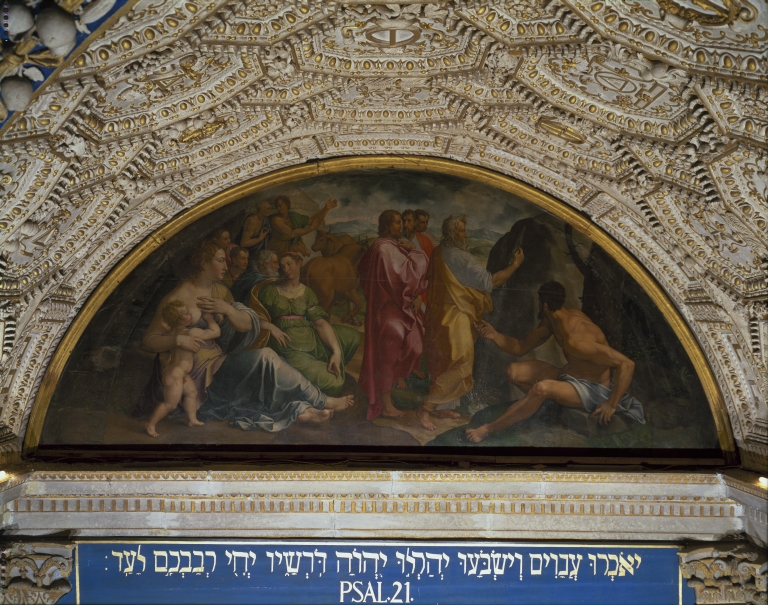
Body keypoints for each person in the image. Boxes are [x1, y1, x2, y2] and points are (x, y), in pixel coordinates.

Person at [135, 239, 354, 433]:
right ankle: (320, 402)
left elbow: (247, 324)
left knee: (265, 367)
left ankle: (303, 410)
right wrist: (178, 339)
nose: (226, 265)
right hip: (193, 379)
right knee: (265, 362)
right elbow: (148, 340)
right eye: (220, 260)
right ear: (203, 263)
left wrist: (228, 310)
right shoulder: (179, 297)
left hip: (217, 365)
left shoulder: (220, 292)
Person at [466, 281, 644, 443]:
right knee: (514, 371)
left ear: (543, 304)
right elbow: (520, 347)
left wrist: (611, 404)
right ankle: (538, 406)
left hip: (593, 390)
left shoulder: (576, 339)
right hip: (569, 377)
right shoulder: (552, 322)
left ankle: (487, 430)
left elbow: (627, 364)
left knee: (541, 388)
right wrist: (494, 335)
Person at [418, 215, 524, 431]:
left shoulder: (439, 252)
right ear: (452, 233)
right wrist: (515, 265)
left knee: (446, 361)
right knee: (463, 365)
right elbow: (491, 281)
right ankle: (425, 408)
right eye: (461, 231)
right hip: (456, 315)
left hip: (441, 314)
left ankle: (443, 407)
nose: (465, 235)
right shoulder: (460, 257)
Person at [257, 251, 361, 396]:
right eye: (283, 266)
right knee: (334, 383)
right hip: (289, 344)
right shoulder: (270, 291)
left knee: (353, 336)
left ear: (299, 263)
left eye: (289, 264)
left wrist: (336, 352)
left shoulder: (307, 293)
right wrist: (271, 327)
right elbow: (255, 318)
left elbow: (320, 323)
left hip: (310, 338)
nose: (286, 269)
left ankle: (328, 360)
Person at [358, 210, 429, 419]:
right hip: (388, 311)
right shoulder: (382, 249)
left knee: (416, 345)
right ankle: (387, 405)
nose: (401, 226)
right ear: (387, 226)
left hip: (401, 308)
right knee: (388, 355)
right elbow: (404, 278)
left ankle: (397, 384)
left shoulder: (392, 247)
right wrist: (416, 252)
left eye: (400, 222)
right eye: (397, 223)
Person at [144, 300, 221, 438]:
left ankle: (192, 420)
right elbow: (216, 332)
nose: (190, 314)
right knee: (170, 405)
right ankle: (151, 424)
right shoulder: (191, 332)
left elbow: (164, 355)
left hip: (177, 373)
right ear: (178, 320)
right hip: (176, 375)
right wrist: (209, 319)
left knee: (191, 392)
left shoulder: (170, 334)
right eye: (186, 313)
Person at [268, 195, 339, 257]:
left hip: (290, 248)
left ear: (287, 204)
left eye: (280, 205)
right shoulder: (276, 220)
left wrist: (326, 209)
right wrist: (311, 228)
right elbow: (292, 233)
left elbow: (312, 220)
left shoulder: (293, 216)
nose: (278, 208)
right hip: (277, 249)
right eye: (277, 206)